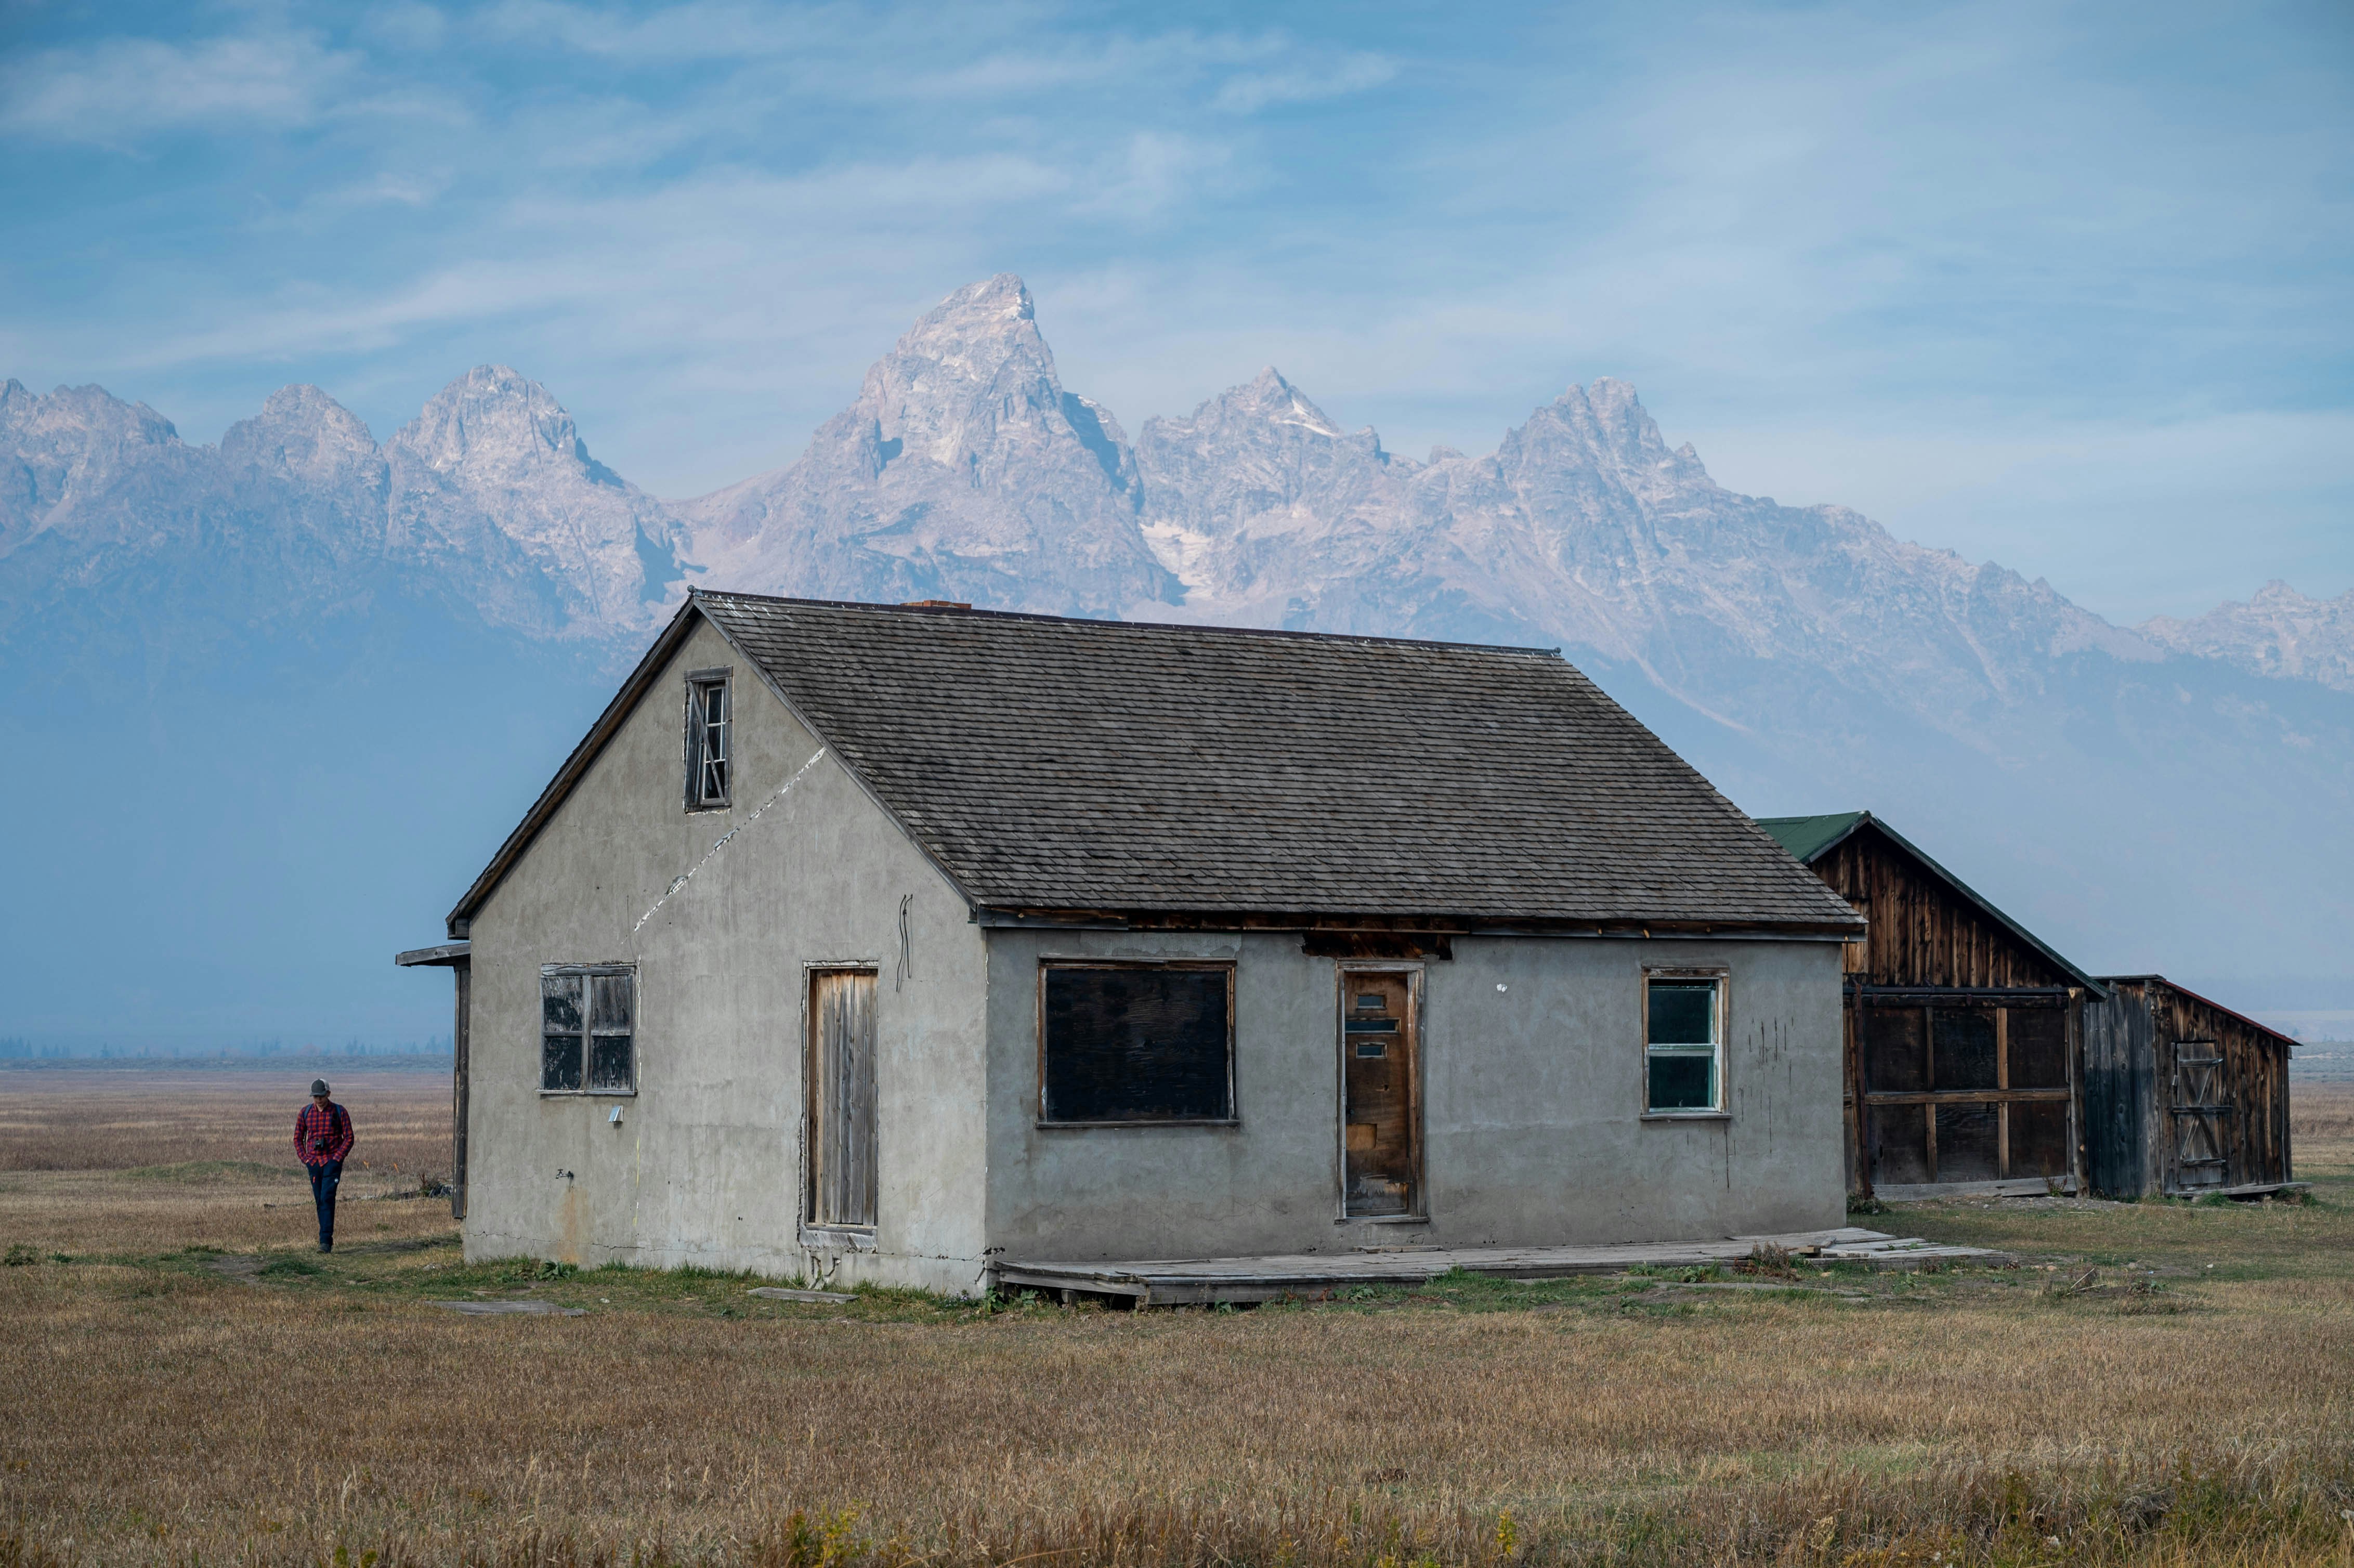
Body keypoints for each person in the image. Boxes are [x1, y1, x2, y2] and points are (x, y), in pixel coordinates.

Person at [294, 1079, 354, 1252]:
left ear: (328, 1094)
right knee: (320, 1200)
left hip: (332, 1163)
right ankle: (325, 1240)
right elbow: (298, 1138)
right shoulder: (305, 1113)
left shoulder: (339, 1112)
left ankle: (325, 1241)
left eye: (321, 1096)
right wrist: (305, 1158)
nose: (319, 1100)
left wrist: (337, 1158)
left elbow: (349, 1137)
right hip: (313, 1163)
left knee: (327, 1198)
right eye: (315, 1097)